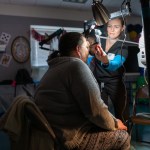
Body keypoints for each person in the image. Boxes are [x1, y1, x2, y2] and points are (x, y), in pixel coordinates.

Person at [34, 32, 130, 150]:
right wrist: (115, 123)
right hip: (71, 138)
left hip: (54, 132)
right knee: (123, 137)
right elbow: (96, 110)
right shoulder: (76, 66)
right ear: (78, 50)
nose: (88, 51)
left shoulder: (55, 67)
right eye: (86, 47)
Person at [87, 17, 128, 123]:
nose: (112, 30)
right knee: (100, 114)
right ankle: (105, 137)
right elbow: (90, 57)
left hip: (115, 83)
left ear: (122, 28)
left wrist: (105, 61)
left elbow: (115, 64)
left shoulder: (123, 46)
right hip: (98, 82)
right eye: (109, 26)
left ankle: (125, 136)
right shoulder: (100, 40)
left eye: (116, 27)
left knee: (122, 114)